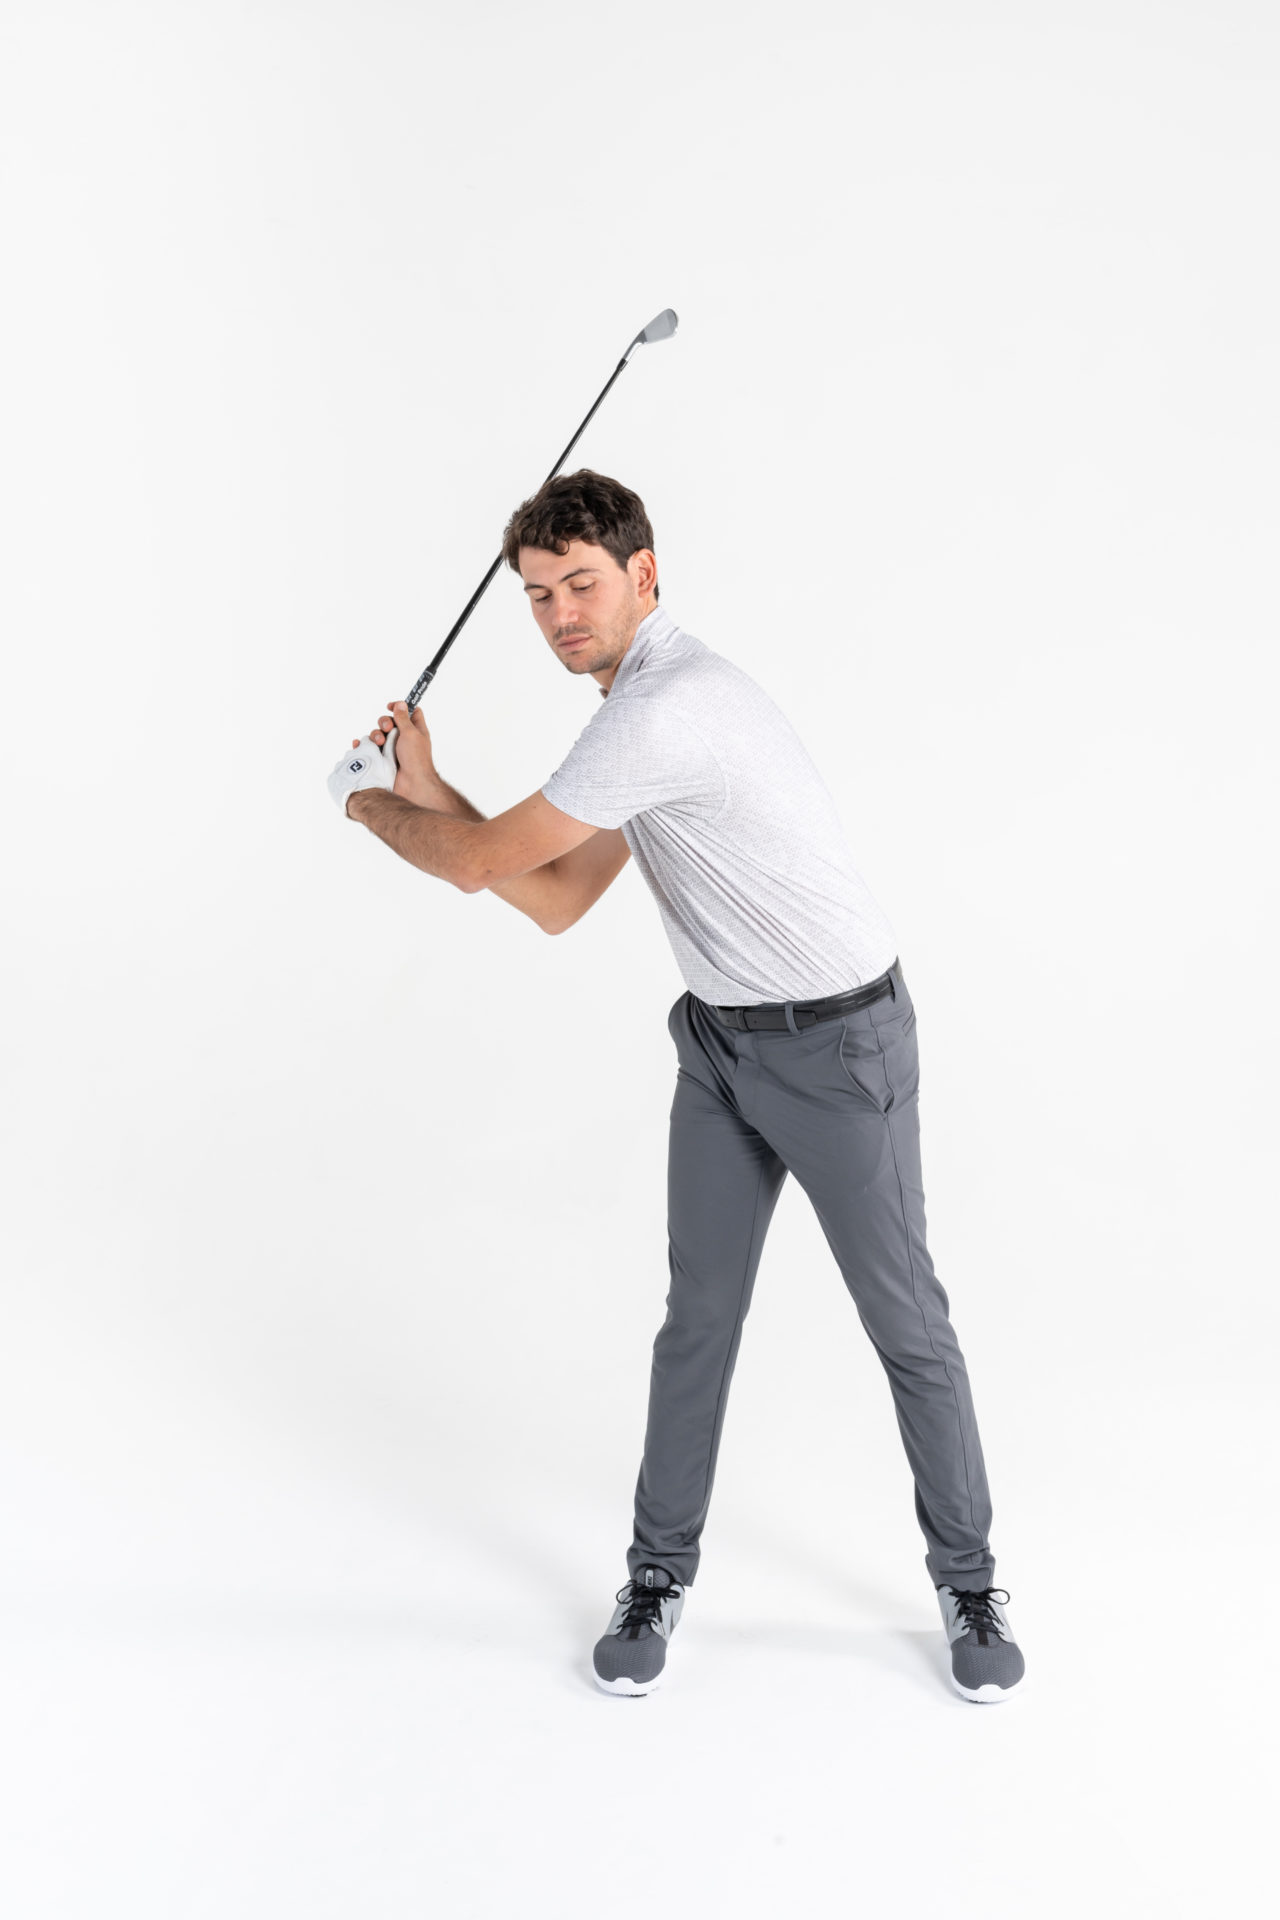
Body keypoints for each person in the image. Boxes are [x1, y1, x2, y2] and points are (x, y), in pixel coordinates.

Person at [327, 469, 1025, 1706]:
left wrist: (365, 805)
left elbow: (480, 865)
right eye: (536, 595)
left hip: (838, 1049)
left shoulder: (669, 708)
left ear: (643, 574)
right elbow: (552, 894)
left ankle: (968, 1584)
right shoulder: (627, 717)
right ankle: (654, 1577)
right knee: (696, 1319)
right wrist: (421, 787)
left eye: (580, 585)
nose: (559, 615)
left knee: (903, 1322)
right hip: (719, 1048)